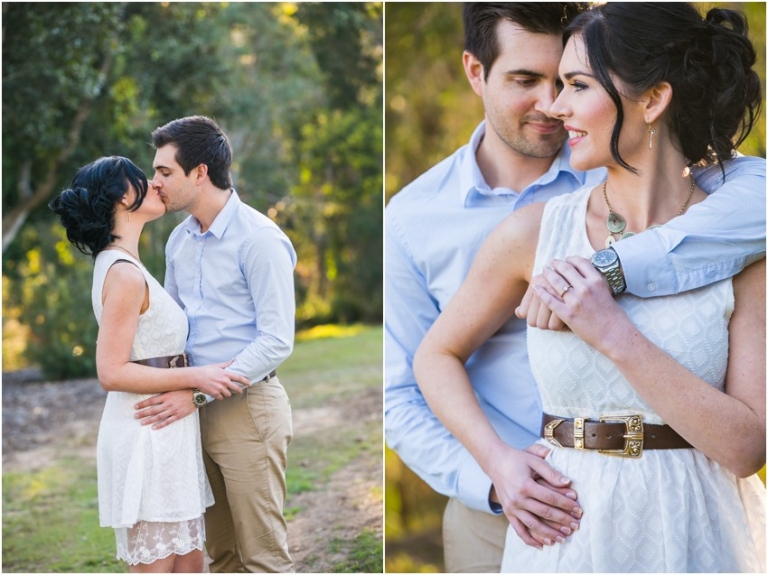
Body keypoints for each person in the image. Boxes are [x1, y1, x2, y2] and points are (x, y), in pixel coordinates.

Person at [384, 3, 766, 572]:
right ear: (475, 72)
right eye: (529, 80)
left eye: (572, 83)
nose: (554, 106)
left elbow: (747, 447)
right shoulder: (513, 229)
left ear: (654, 99)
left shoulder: (731, 231)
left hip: (697, 521)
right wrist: (497, 468)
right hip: (555, 519)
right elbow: (420, 367)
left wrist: (611, 310)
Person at [49, 156, 251, 572]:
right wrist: (199, 376)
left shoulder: (129, 263)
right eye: (143, 178)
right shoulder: (123, 274)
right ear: (124, 196)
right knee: (159, 567)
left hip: (168, 431)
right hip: (145, 433)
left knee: (191, 563)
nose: (155, 184)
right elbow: (111, 371)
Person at [130, 116, 297, 573]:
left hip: (248, 410)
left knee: (263, 557)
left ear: (199, 173)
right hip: (190, 414)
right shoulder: (179, 242)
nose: (156, 183)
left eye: (165, 172)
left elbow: (277, 340)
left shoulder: (259, 240)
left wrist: (197, 392)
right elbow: (173, 329)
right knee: (221, 556)